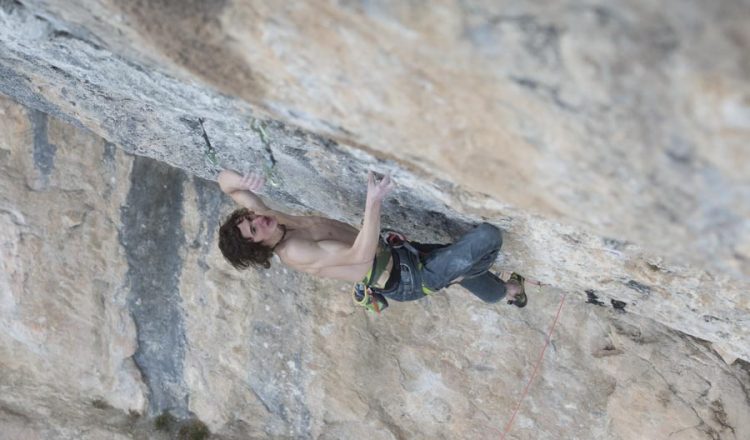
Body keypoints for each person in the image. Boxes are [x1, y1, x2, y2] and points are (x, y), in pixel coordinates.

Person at [217, 169, 527, 307]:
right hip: (408, 280)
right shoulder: (294, 251)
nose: (257, 220)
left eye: (249, 218)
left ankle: (504, 293)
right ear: (258, 247)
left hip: (402, 255)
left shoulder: (271, 221)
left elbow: (225, 183)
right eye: (254, 229)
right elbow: (358, 256)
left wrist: (241, 180)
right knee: (487, 237)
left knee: (459, 261)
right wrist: (373, 201)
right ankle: (466, 280)